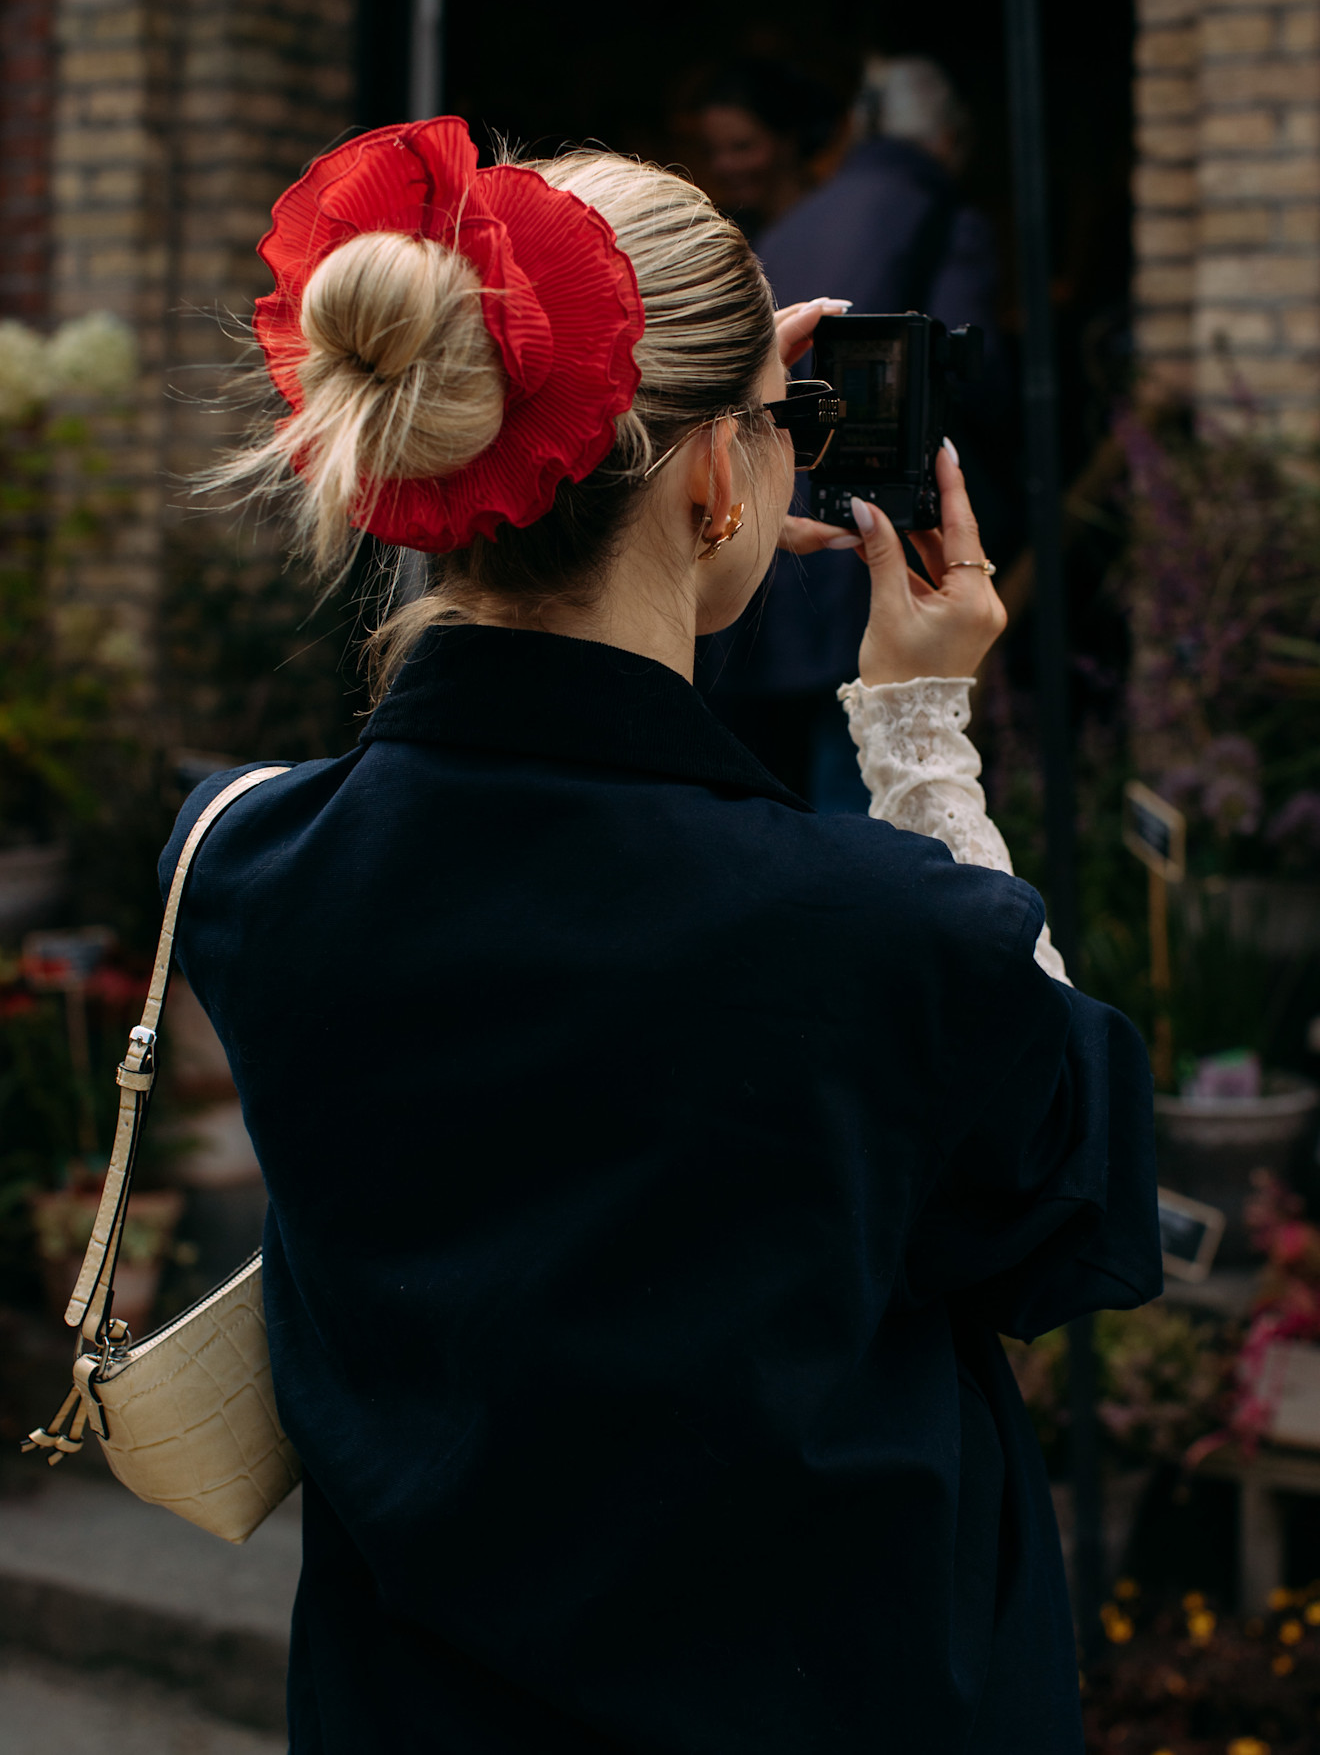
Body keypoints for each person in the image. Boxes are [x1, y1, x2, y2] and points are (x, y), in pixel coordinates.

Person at [167, 118, 1159, 1753]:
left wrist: (695, 417)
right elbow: (1078, 1196)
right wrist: (918, 730)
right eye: (775, 427)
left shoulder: (248, 859)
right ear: (715, 475)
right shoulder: (874, 933)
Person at [700, 56, 1013, 811]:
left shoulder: (794, 222)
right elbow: (977, 381)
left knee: (769, 810)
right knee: (867, 799)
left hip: (765, 545)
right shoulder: (943, 221)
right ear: (947, 139)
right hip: (870, 554)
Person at [692, 54, 843, 242]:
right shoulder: (723, 235)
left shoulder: (839, 225)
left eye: (742, 147)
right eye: (710, 151)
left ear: (787, 141)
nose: (722, 165)